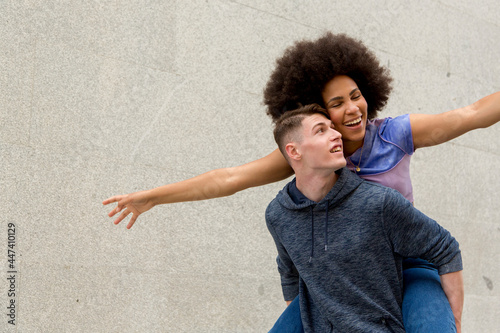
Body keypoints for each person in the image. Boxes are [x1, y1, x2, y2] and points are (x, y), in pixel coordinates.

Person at [103, 33, 499, 331]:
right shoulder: (316, 152)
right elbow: (228, 179)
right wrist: (154, 197)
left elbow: (471, 114)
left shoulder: (395, 133)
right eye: (336, 103)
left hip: (406, 263)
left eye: (356, 96)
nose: (352, 109)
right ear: (316, 110)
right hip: (346, 274)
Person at [265, 104, 463, 332]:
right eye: (321, 130)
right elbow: (289, 273)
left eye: (333, 128)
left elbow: (446, 247)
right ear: (294, 151)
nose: (337, 135)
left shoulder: (378, 203)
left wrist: (454, 323)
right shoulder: (278, 215)